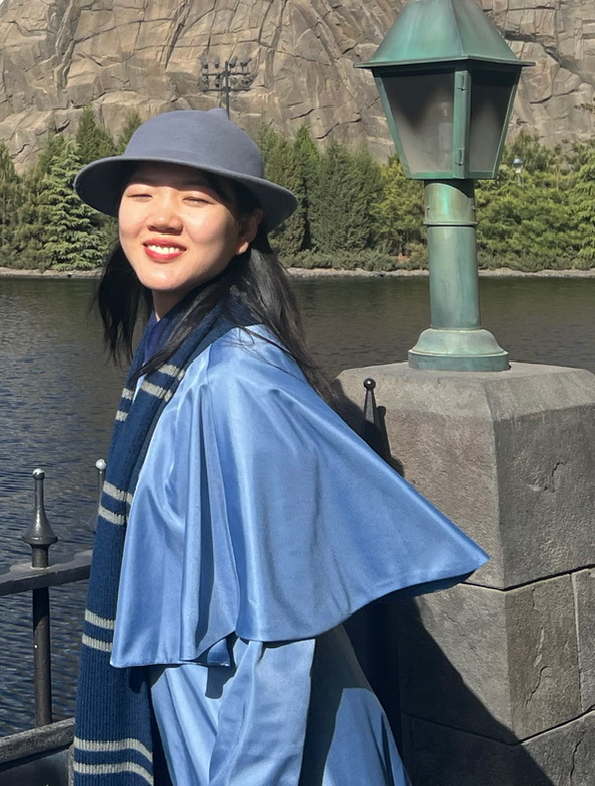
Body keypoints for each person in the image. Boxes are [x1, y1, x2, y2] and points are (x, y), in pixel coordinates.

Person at [68, 108, 486, 786]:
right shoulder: (175, 356)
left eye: (195, 199)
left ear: (245, 231)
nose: (162, 217)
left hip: (256, 742)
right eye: (142, 193)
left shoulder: (236, 378)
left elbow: (279, 640)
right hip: (208, 714)